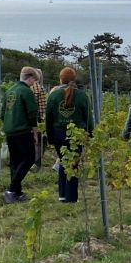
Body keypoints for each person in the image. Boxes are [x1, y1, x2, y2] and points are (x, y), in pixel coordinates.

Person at [45, 67, 93, 203]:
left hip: (58, 134)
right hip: (77, 135)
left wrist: (50, 137)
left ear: (60, 79)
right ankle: (71, 197)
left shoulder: (53, 95)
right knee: (73, 164)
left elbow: (48, 118)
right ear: (74, 79)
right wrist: (91, 135)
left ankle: (62, 195)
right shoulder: (82, 95)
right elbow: (88, 118)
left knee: (63, 161)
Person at [0, 67, 40, 204]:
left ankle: (16, 192)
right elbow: (31, 113)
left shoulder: (10, 90)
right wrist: (35, 133)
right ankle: (11, 190)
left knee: (15, 162)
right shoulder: (26, 91)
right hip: (23, 130)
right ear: (30, 78)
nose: (33, 84)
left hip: (10, 131)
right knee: (29, 159)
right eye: (34, 81)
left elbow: (2, 114)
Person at [30, 68, 48, 168]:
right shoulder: (39, 88)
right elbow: (42, 109)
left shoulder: (25, 87)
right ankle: (36, 163)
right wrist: (44, 122)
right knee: (40, 141)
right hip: (37, 119)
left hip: (25, 119)